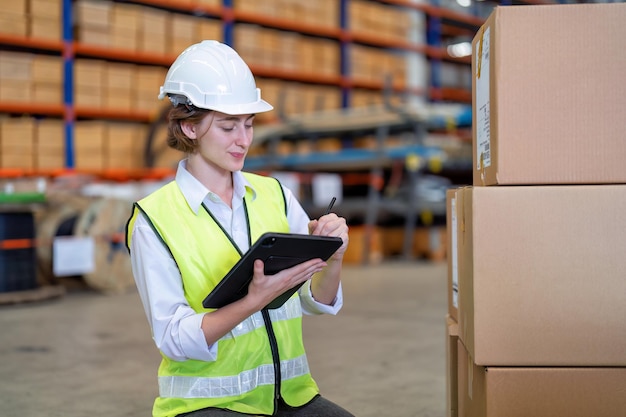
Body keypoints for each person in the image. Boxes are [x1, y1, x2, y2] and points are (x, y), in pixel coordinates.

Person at [125, 40, 353, 417]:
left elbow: (317, 301)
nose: (244, 140)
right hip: (205, 404)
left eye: (248, 124)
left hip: (290, 397)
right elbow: (174, 340)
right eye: (228, 126)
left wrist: (335, 257)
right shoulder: (154, 220)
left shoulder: (275, 194)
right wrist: (253, 300)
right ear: (189, 127)